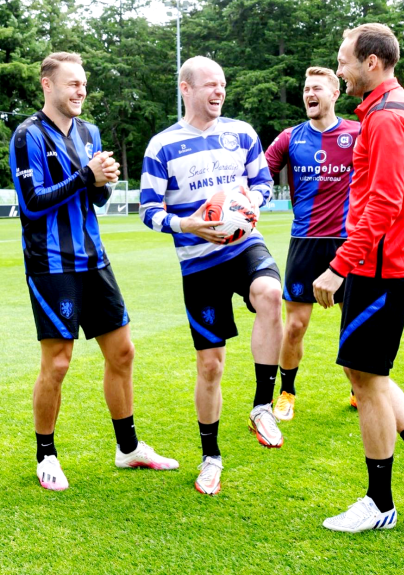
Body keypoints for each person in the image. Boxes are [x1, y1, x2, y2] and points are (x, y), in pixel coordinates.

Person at [312, 24, 404, 532]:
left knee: (367, 379)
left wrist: (338, 267)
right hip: (386, 261)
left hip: (383, 267)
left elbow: (384, 201)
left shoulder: (388, 117)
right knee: (365, 373)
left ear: (371, 62)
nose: (339, 70)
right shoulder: (395, 107)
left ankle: (380, 504)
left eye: (344, 61)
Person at [9, 52, 178, 491]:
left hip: (94, 259)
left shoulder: (90, 132)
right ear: (48, 85)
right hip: (51, 263)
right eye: (72, 83)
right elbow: (32, 203)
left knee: (123, 352)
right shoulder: (28, 135)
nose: (80, 90)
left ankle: (128, 448)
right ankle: (46, 455)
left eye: (83, 83)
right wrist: (87, 175)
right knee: (58, 362)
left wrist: (100, 182)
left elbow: (96, 199)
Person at [139, 56, 284, 495]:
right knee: (210, 365)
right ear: (186, 89)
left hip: (242, 245)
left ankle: (262, 405)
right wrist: (189, 225)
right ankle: (210, 457)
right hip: (199, 261)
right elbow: (148, 211)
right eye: (209, 85)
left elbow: (263, 183)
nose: (218, 92)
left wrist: (247, 206)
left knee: (271, 294)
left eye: (222, 85)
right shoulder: (161, 146)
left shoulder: (241, 133)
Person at [266, 67, 360, 420]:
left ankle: (358, 389)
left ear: (334, 94)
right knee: (295, 326)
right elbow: (260, 173)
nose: (309, 93)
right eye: (306, 89)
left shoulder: (358, 133)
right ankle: (287, 392)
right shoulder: (290, 138)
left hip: (348, 244)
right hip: (304, 242)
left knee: (351, 324)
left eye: (316, 88)